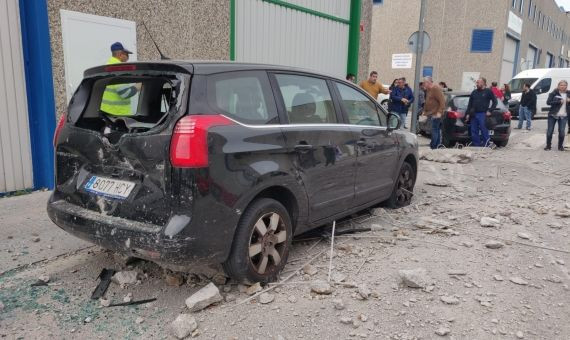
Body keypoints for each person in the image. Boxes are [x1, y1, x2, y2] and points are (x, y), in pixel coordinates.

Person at [100, 42, 138, 116]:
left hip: (107, 112)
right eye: (127, 54)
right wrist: (139, 86)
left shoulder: (107, 66)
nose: (128, 57)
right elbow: (125, 93)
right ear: (120, 55)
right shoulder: (118, 69)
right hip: (117, 114)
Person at [466, 78, 497, 147]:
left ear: (483, 83)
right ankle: (476, 144)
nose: (477, 84)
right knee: (474, 130)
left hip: (482, 114)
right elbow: (469, 104)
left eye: (478, 83)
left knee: (484, 129)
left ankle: (487, 144)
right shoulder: (474, 92)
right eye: (476, 83)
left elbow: (495, 102)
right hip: (473, 114)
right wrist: (467, 114)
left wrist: (490, 110)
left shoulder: (488, 91)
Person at [545, 80, 570, 151]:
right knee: (550, 131)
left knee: (562, 132)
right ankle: (548, 146)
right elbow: (548, 102)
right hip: (553, 115)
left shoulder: (569, 93)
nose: (563, 86)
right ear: (558, 86)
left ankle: (560, 146)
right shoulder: (553, 93)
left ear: (566, 86)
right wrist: (559, 102)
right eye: (561, 85)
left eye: (564, 85)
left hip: (564, 116)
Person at [422, 77, 445, 149]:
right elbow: (427, 101)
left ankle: (434, 146)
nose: (424, 84)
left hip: (436, 114)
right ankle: (436, 145)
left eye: (424, 83)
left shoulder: (436, 89)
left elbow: (442, 101)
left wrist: (439, 112)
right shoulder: (429, 90)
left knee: (434, 130)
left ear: (428, 82)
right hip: (430, 113)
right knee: (435, 130)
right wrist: (424, 111)